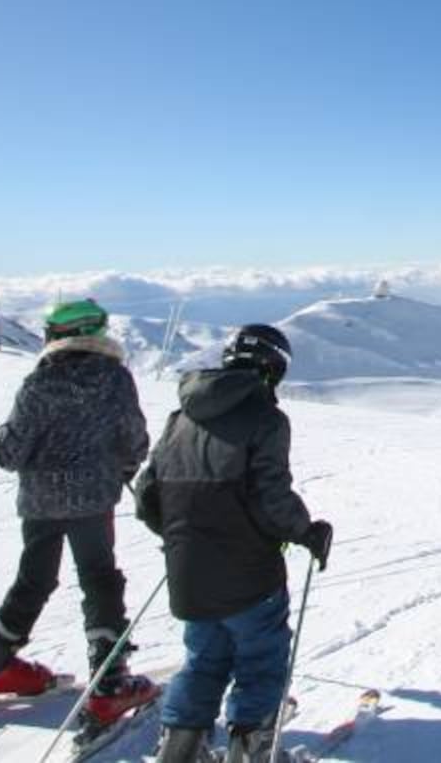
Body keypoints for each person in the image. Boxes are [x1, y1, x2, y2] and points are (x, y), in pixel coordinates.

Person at [0, 299, 158, 729]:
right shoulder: (115, 378)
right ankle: (110, 682)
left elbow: (13, 450)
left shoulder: (39, 382)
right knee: (99, 578)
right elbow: (135, 441)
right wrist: (120, 470)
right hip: (94, 499)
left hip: (40, 500)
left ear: (57, 335)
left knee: (34, 580)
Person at [136, 324, 334, 763]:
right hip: (248, 571)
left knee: (203, 658)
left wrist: (184, 535)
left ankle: (179, 749)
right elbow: (271, 496)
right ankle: (251, 750)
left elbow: (149, 495)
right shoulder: (265, 418)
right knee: (261, 658)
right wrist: (307, 531)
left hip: (189, 569)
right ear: (273, 367)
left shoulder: (180, 417)